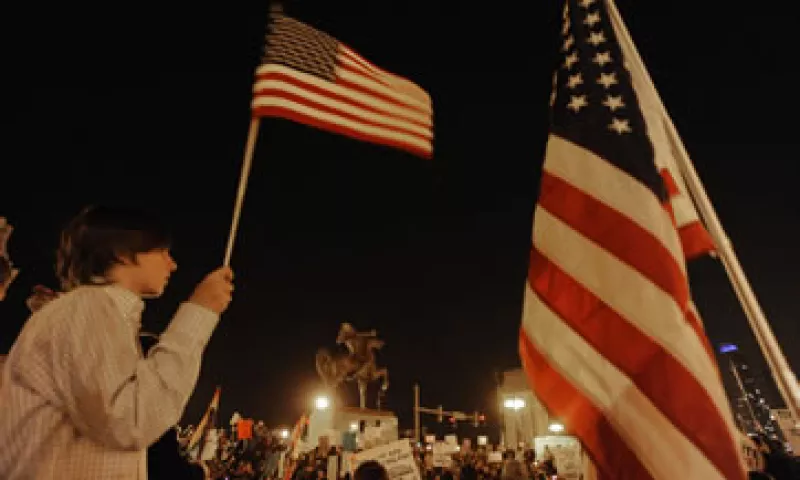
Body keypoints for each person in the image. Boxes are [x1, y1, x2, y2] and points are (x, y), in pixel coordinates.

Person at [0, 205, 234, 479]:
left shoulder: (97, 314)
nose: (172, 264)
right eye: (162, 251)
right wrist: (199, 313)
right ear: (122, 253)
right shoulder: (88, 308)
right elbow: (130, 420)